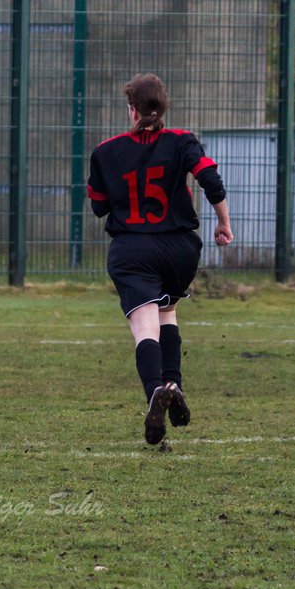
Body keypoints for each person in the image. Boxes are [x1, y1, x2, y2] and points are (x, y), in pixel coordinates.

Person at [88, 73, 233, 446]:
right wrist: (223, 224)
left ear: (132, 111)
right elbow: (210, 180)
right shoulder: (183, 141)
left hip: (133, 250)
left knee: (144, 329)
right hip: (179, 250)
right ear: (163, 108)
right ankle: (174, 385)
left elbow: (99, 207)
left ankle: (155, 390)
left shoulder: (105, 151)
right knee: (167, 312)